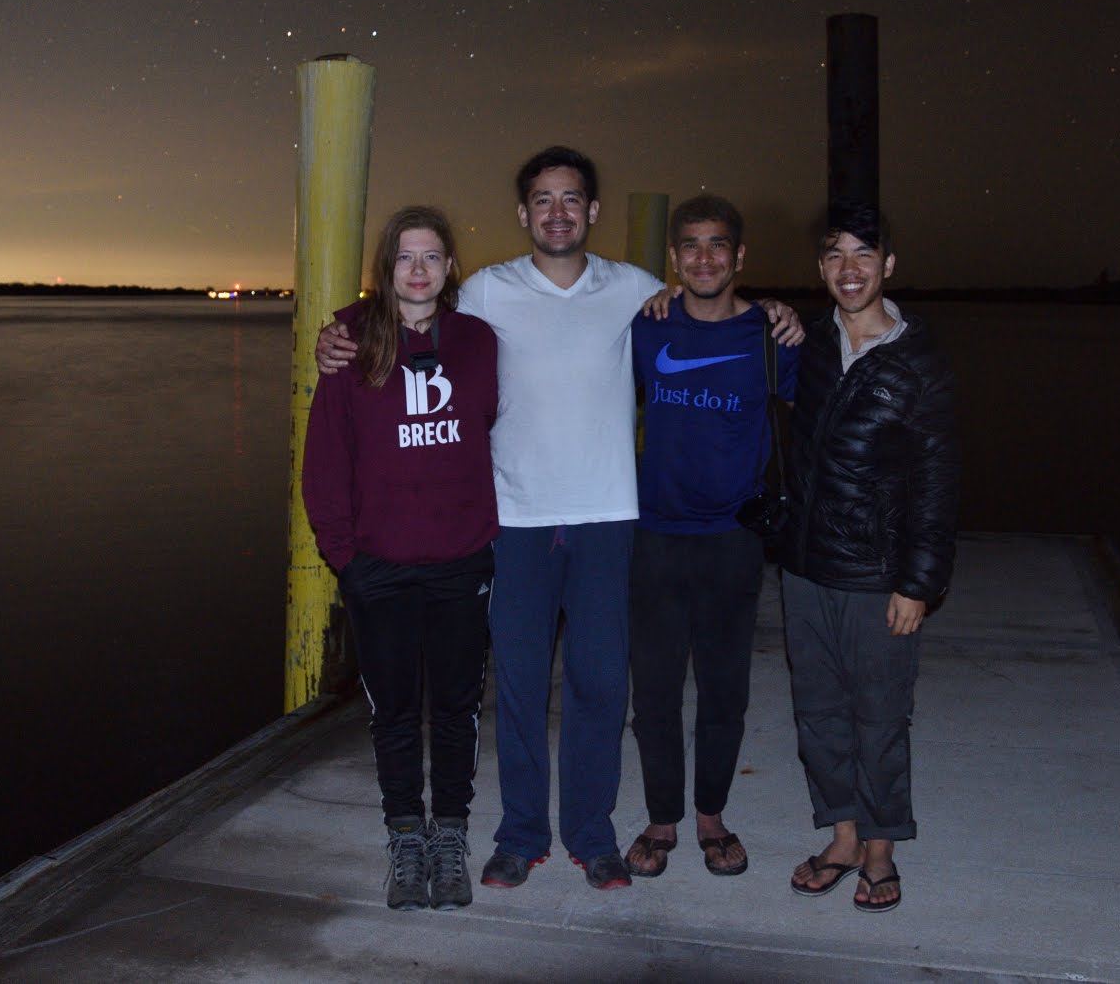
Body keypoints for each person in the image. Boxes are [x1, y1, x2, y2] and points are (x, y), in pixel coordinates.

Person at [316, 148, 801, 893]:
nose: (558, 212)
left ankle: (591, 833)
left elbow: (711, 304)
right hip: (515, 520)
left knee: (600, 686)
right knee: (517, 688)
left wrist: (777, 312)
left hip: (608, 516)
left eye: (571, 199)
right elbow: (410, 311)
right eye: (543, 200)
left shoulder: (636, 289)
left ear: (593, 211)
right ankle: (520, 835)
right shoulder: (486, 290)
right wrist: (340, 331)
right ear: (523, 213)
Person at [301, 206, 499, 912]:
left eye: (432, 257)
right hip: (377, 566)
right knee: (393, 711)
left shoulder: (478, 341)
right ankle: (406, 837)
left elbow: (497, 427)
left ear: (450, 269)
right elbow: (325, 461)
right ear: (386, 268)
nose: (419, 270)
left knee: (456, 708)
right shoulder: (351, 343)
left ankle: (451, 835)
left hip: (461, 561)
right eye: (406, 257)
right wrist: (346, 558)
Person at [781, 201, 958, 913]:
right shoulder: (811, 341)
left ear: (888, 264)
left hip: (876, 574)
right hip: (803, 566)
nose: (848, 268)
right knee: (818, 714)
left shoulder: (920, 362)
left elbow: (937, 482)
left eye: (864, 254)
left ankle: (881, 851)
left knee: (880, 718)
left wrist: (919, 582)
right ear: (821, 267)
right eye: (834, 254)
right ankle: (844, 837)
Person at [624, 194, 799, 880]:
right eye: (691, 245)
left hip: (734, 537)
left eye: (718, 244)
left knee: (725, 690)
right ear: (674, 258)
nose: (704, 257)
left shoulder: (771, 334)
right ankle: (661, 818)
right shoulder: (646, 328)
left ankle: (711, 817)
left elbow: (827, 408)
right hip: (655, 535)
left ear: (740, 256)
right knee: (655, 691)